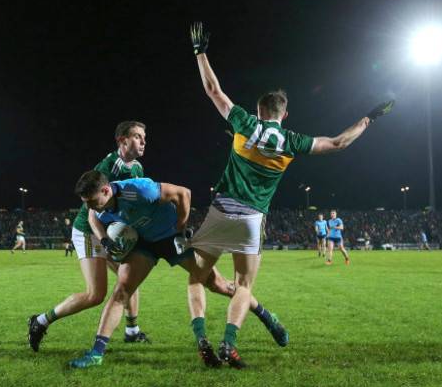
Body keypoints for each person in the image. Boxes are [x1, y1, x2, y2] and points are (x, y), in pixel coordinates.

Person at [186, 21, 393, 368]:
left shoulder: (244, 123)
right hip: (252, 220)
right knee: (243, 286)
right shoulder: (294, 142)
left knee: (196, 278)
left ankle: (201, 338)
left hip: (222, 210)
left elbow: (213, 90)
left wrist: (200, 52)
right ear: (285, 115)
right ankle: (229, 344)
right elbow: (339, 142)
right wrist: (368, 119)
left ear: (260, 111)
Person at [67, 171, 287, 368]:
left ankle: (267, 316)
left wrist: (181, 232)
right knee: (121, 291)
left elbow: (183, 193)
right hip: (144, 244)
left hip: (172, 237)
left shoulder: (139, 190)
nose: (89, 206)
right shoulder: (99, 205)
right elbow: (92, 217)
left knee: (217, 284)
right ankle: (96, 354)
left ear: (105, 191)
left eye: (91, 201)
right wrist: (104, 240)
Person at [28, 121, 151, 351]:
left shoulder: (137, 169)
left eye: (144, 137)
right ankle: (40, 321)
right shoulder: (107, 169)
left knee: (130, 277)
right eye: (137, 136)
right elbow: (93, 214)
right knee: (96, 295)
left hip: (111, 231)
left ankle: (132, 331)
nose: (143, 141)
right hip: (90, 231)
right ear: (122, 141)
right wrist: (105, 239)